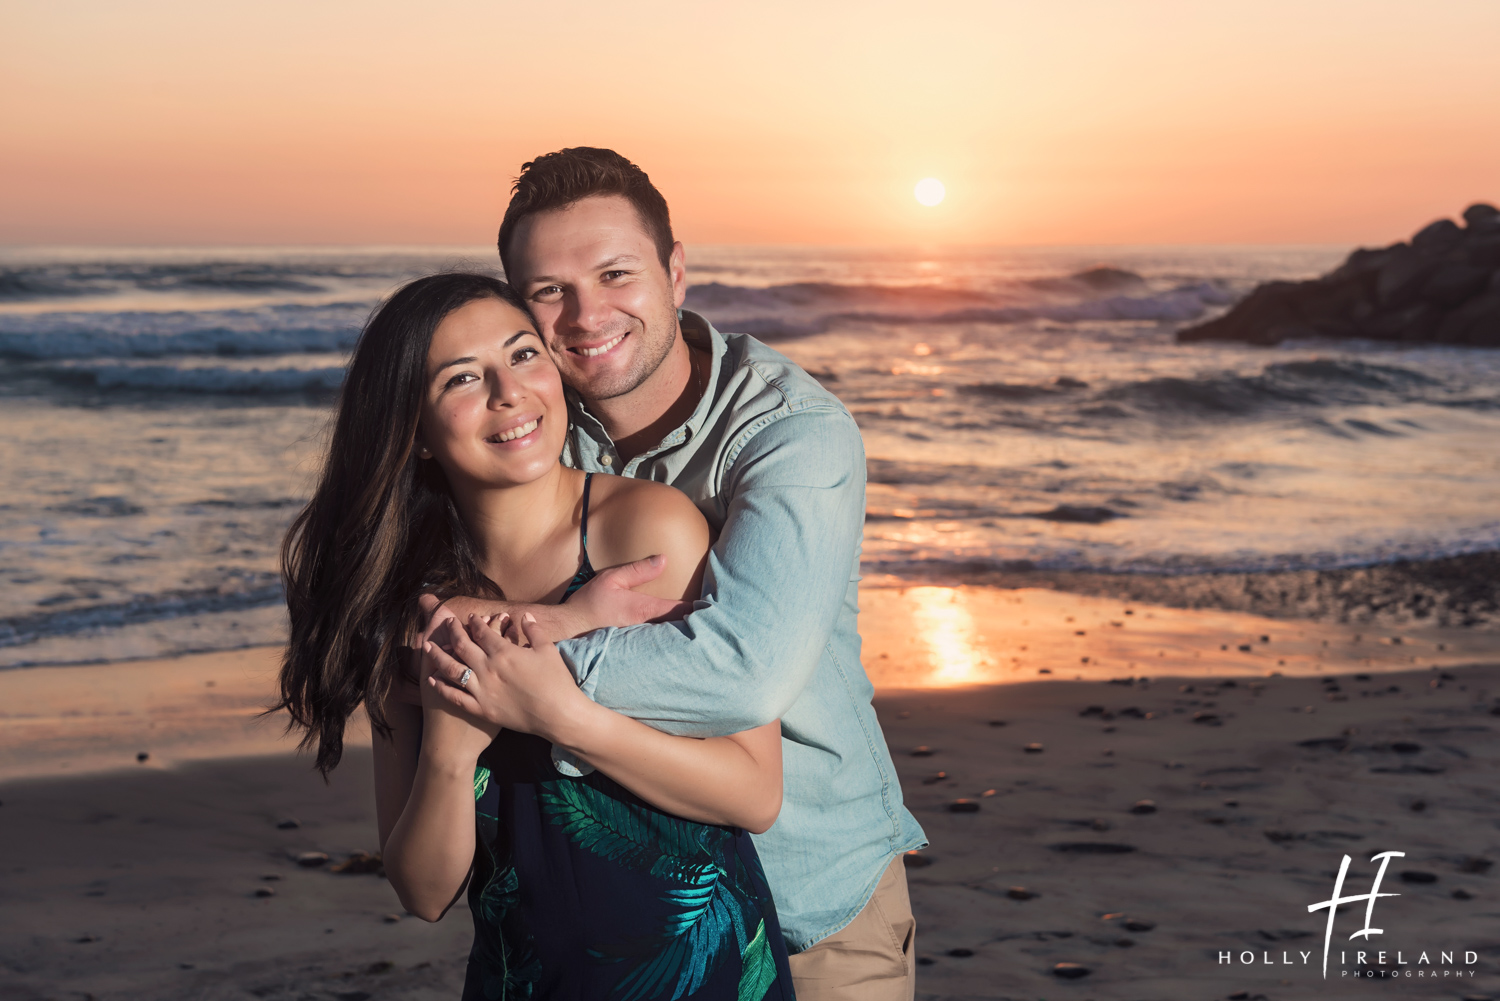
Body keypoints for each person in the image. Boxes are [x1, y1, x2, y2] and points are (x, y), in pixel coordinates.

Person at [421, 148, 927, 1001]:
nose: (587, 315)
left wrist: (535, 651)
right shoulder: (534, 426)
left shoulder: (790, 433)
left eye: (616, 273)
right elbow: (419, 588)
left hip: (811, 895)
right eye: (550, 291)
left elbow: (744, 672)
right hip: (633, 902)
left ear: (676, 271)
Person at [276, 272, 797, 1000]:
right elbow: (424, 891)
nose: (508, 392)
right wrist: (453, 756)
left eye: (524, 356)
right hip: (521, 982)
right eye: (462, 377)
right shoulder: (404, 610)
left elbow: (754, 792)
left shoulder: (646, 533)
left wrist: (563, 717)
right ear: (415, 431)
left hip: (701, 973)